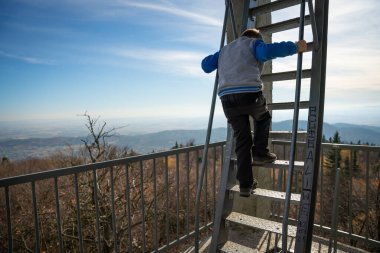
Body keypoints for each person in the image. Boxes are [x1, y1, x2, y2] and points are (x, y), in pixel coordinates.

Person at [201, 28, 307, 197]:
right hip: (249, 93)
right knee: (263, 118)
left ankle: (245, 184)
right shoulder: (253, 43)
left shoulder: (225, 50)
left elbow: (206, 65)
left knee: (242, 140)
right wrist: (295, 46)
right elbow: (267, 51)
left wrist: (219, 56)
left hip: (227, 99)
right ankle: (260, 152)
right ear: (255, 37)